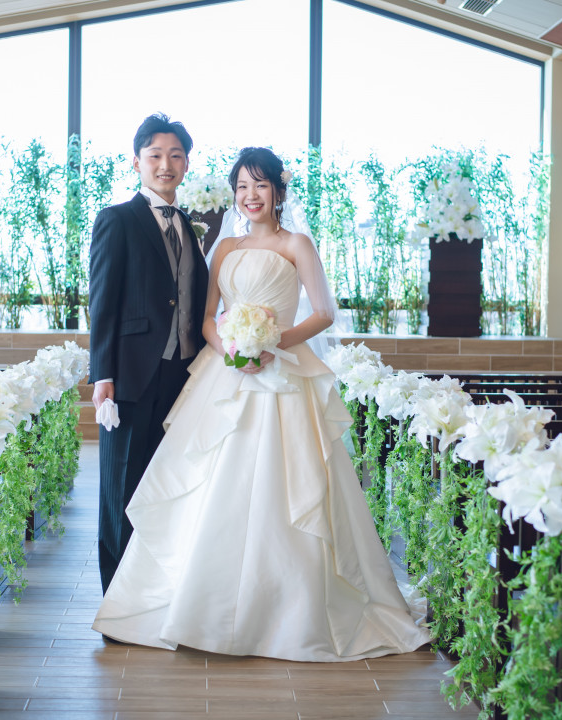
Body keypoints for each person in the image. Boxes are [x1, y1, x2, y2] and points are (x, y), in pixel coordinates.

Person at [92, 147, 431, 661]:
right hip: (225, 376)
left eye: (260, 186)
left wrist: (274, 344)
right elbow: (205, 317)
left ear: (277, 191)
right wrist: (230, 347)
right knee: (205, 481)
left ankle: (289, 608)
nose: (250, 197)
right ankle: (194, 601)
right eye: (242, 188)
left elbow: (322, 313)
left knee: (290, 481)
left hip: (283, 373)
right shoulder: (223, 248)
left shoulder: (298, 244)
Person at [88, 114, 209, 594]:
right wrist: (103, 375)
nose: (166, 164)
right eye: (156, 155)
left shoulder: (188, 226)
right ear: (136, 161)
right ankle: (116, 597)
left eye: (176, 155)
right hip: (132, 375)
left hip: (182, 374)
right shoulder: (117, 219)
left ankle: (154, 591)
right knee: (121, 486)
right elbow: (103, 302)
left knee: (164, 485)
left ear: (186, 163)